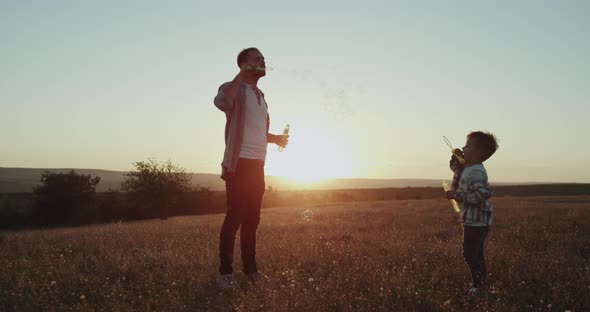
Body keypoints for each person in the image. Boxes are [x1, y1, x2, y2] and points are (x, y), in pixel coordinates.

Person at [213, 47, 288, 287]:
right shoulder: (231, 87)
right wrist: (240, 75)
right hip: (239, 163)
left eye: (264, 59)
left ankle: (251, 271)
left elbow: (257, 131)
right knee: (234, 217)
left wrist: (275, 138)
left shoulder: (260, 94)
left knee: (252, 219)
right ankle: (225, 274)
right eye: (257, 59)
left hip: (258, 164)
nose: (263, 62)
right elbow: (222, 102)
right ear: (244, 64)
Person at [445, 131, 498, 295]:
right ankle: (481, 283)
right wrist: (456, 160)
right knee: (476, 253)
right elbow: (458, 171)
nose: (463, 147)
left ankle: (478, 286)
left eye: (467, 146)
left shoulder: (476, 172)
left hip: (477, 222)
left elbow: (480, 195)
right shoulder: (469, 168)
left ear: (479, 153)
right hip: (475, 221)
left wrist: (457, 195)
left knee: (469, 254)